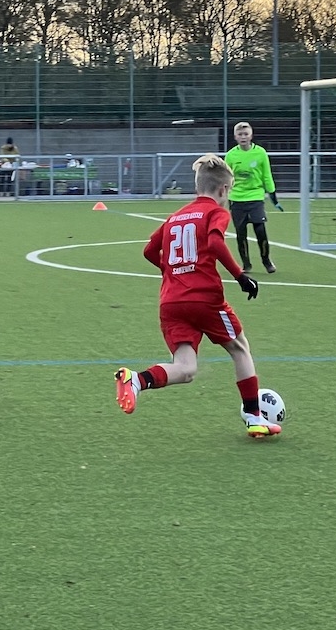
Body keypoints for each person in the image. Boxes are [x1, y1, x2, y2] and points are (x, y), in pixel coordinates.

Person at [113, 154, 279, 438]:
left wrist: (173, 271)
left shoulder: (175, 216)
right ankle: (254, 417)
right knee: (239, 348)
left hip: (171, 302)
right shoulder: (216, 212)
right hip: (204, 299)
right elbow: (215, 242)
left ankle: (137, 381)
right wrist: (240, 276)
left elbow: (149, 251)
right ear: (224, 189)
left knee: (185, 369)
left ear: (197, 186)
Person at [224, 121, 282, 273]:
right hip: (237, 199)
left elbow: (267, 176)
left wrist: (274, 198)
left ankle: (266, 261)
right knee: (241, 233)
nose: (243, 137)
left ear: (251, 136)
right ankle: (246, 264)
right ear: (235, 137)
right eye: (240, 134)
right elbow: (226, 178)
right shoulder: (230, 155)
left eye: (246, 134)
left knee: (260, 230)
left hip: (255, 197)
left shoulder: (260, 153)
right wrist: (223, 197)